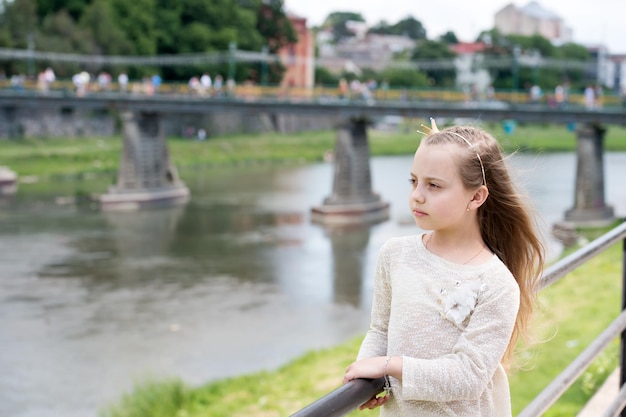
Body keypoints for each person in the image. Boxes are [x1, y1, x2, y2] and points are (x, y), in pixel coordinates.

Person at [343, 118, 545, 416]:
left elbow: (468, 376)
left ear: (476, 196)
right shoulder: (395, 254)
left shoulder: (496, 283)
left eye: (434, 185)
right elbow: (380, 329)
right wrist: (367, 376)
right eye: (413, 181)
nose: (417, 195)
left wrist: (389, 366)